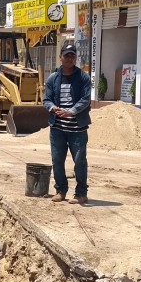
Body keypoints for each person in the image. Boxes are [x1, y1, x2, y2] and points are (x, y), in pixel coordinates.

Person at [43, 43, 91, 205]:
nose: (69, 59)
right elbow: (46, 100)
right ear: (60, 57)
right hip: (57, 128)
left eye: (72, 56)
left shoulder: (83, 78)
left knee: (80, 161)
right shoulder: (53, 78)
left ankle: (81, 193)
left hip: (77, 129)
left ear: (75, 58)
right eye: (66, 56)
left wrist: (71, 111)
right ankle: (60, 190)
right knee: (57, 160)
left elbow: (85, 100)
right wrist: (53, 108)